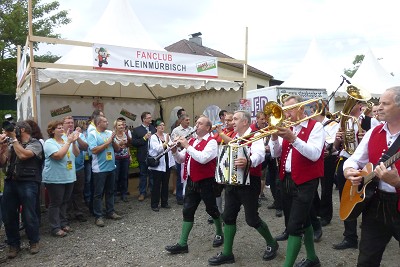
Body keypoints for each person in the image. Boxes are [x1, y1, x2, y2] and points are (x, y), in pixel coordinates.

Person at [208, 111, 278, 266]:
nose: (232, 121)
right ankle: (227, 253)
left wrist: (248, 161)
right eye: (232, 119)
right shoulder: (234, 136)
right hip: (233, 182)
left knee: (252, 219)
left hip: (249, 182)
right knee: (228, 216)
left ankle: (272, 243)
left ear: (245, 122)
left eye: (235, 119)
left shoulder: (255, 135)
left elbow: (259, 155)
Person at [343, 86, 400, 266]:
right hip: (375, 203)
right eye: (379, 103)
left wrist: (398, 183)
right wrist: (348, 171)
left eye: (385, 103)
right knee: (366, 259)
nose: (379, 107)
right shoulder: (373, 133)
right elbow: (353, 160)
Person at [269, 96, 325, 267]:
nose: (286, 114)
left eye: (290, 109)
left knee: (293, 227)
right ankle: (312, 258)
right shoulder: (289, 127)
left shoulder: (316, 127)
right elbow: (276, 154)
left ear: (302, 109)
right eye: (284, 110)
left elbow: (315, 154)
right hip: (286, 179)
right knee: (304, 220)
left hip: (306, 181)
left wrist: (293, 138)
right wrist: (273, 138)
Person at [165, 116, 224, 254]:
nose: (196, 126)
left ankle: (220, 232)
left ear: (208, 128)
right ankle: (182, 243)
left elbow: (203, 158)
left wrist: (186, 145)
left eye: (200, 124)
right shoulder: (193, 141)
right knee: (187, 210)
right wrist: (174, 150)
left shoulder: (211, 142)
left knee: (212, 209)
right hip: (192, 181)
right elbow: (181, 160)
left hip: (207, 182)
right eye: (196, 123)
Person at [332, 98, 380, 250]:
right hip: (347, 161)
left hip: (366, 166)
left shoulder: (371, 122)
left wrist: (365, 137)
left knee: (368, 198)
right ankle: (350, 236)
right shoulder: (343, 121)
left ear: (359, 106)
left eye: (351, 103)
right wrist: (337, 140)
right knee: (346, 198)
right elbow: (335, 147)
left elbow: (379, 143)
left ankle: (370, 234)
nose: (347, 106)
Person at [0, 121, 44, 258]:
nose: (11, 131)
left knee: (29, 214)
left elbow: (24, 155)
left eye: (14, 129)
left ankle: (34, 241)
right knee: (8, 215)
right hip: (10, 182)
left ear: (22, 130)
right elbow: (2, 162)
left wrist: (13, 139)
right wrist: (2, 148)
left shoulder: (35, 143)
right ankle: (13, 245)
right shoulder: (13, 143)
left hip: (28, 182)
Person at [43, 120, 79, 237]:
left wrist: (73, 142)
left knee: (64, 202)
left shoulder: (66, 140)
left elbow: (77, 154)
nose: (61, 129)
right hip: (55, 178)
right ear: (52, 131)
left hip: (68, 176)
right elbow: (58, 156)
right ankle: (55, 227)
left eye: (61, 127)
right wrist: (68, 142)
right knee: (55, 203)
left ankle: (63, 223)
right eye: (58, 128)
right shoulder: (49, 143)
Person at [87, 115, 122, 227]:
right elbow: (94, 150)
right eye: (105, 121)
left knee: (110, 191)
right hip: (99, 169)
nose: (107, 123)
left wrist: (113, 141)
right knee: (98, 194)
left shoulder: (108, 132)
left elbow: (117, 149)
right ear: (98, 123)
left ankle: (110, 211)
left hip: (111, 167)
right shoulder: (92, 134)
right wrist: (108, 142)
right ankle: (98, 216)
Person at [313, 104, 339, 228]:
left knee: (326, 187)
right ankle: (318, 209)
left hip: (328, 158)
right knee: (313, 186)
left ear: (317, 112)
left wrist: (326, 147)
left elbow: (332, 141)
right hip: (316, 157)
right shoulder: (314, 126)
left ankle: (326, 215)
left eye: (312, 113)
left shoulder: (332, 124)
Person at [63, 116, 89, 223]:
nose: (70, 124)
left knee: (78, 191)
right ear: (63, 124)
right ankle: (67, 214)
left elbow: (85, 147)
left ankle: (79, 212)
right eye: (67, 123)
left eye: (72, 122)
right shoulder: (60, 136)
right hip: (66, 169)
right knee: (67, 193)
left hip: (79, 168)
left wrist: (77, 137)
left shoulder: (80, 134)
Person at [148, 119, 175, 211]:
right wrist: (166, 143)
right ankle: (154, 204)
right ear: (156, 127)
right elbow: (157, 149)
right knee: (156, 185)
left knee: (165, 184)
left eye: (163, 125)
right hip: (158, 165)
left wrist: (174, 143)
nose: (162, 127)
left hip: (167, 163)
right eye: (160, 125)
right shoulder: (153, 137)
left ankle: (164, 202)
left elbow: (171, 146)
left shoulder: (166, 135)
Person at [131, 112, 156, 201]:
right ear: (144, 119)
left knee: (153, 175)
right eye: (149, 118)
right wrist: (144, 138)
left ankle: (153, 191)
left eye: (150, 117)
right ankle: (142, 193)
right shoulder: (137, 130)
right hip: (143, 156)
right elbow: (134, 143)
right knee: (143, 175)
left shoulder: (153, 128)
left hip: (153, 156)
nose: (150, 119)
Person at [171, 114, 194, 205]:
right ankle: (179, 197)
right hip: (181, 154)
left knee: (189, 176)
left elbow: (195, 139)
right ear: (181, 121)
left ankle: (188, 196)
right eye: (186, 120)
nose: (188, 122)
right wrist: (182, 143)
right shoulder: (176, 130)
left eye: (189, 120)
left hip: (190, 154)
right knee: (180, 176)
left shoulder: (191, 129)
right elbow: (174, 143)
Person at [113, 118, 130, 202]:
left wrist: (129, 155)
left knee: (124, 176)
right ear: (115, 126)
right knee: (116, 177)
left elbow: (128, 145)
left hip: (125, 157)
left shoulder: (125, 134)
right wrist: (119, 144)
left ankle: (124, 193)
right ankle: (114, 195)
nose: (121, 126)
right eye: (119, 125)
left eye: (122, 125)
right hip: (116, 158)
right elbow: (112, 147)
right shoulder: (113, 135)